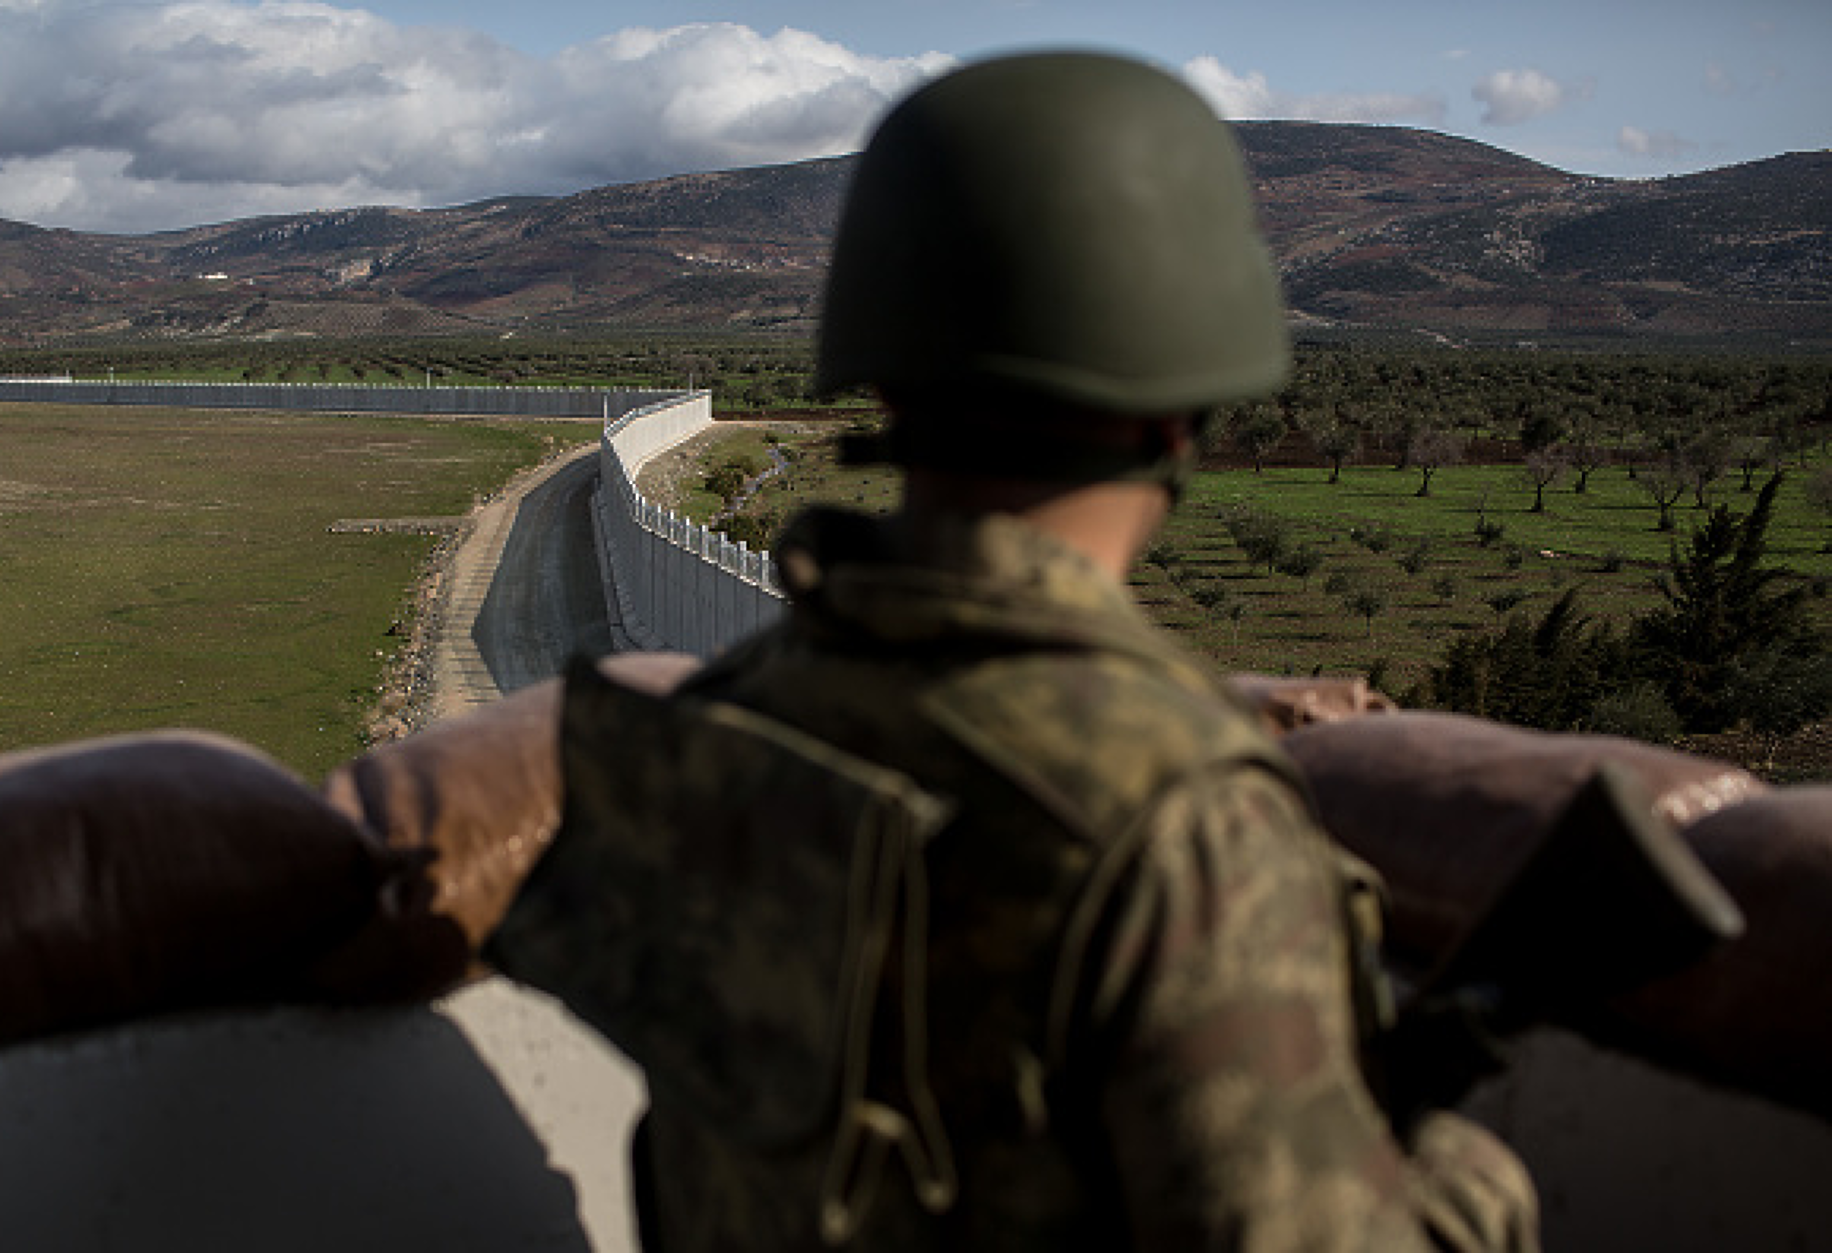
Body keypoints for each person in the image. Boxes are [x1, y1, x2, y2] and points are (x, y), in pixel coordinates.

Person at [486, 50, 1540, 1252]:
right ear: (1184, 399)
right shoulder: (1183, 818)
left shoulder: (736, 705)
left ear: (880, 366)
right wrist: (1458, 1169)